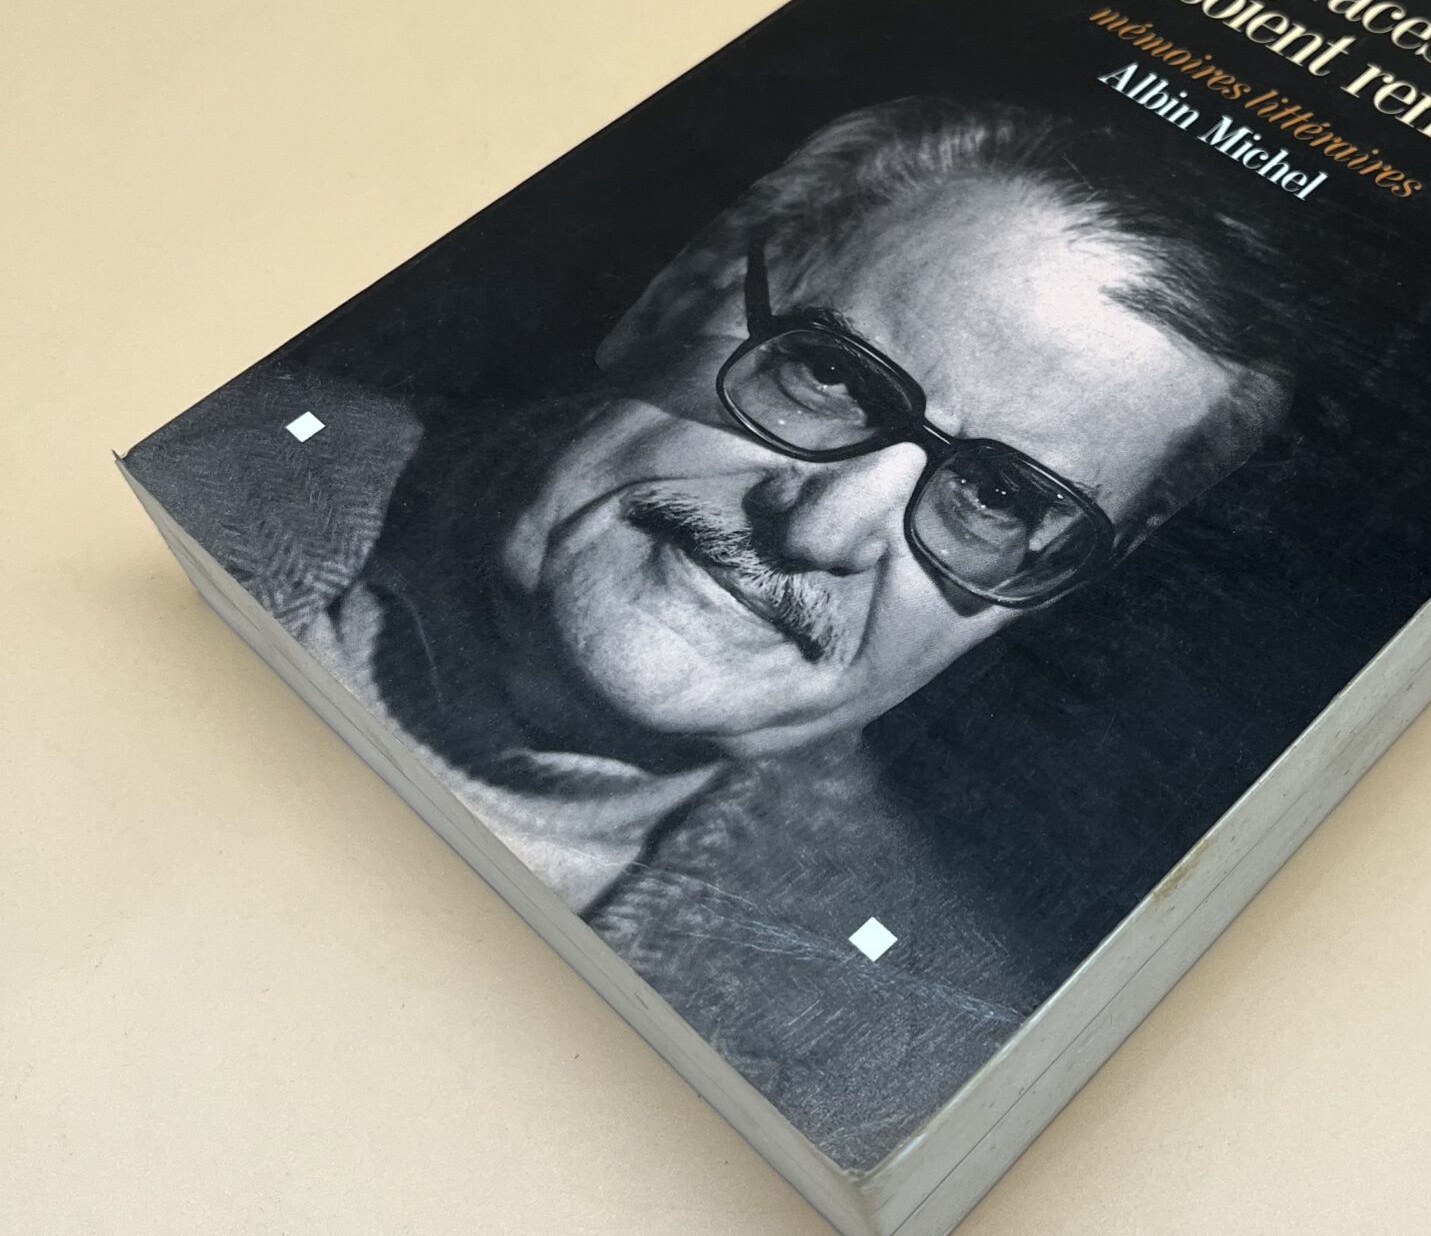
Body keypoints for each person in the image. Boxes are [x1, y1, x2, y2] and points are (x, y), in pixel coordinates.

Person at [134, 96, 1304, 1163]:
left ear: (1051, 587)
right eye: (837, 377)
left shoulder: (901, 1075)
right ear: (678, 294)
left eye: (1001, 498)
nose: (825, 526)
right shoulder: (166, 463)